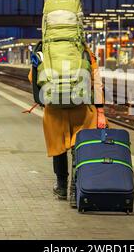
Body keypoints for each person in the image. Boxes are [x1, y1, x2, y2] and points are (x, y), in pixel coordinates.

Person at [28, 47, 107, 200]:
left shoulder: (44, 49)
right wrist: (101, 111)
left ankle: (62, 186)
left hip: (54, 110)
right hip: (81, 107)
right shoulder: (85, 51)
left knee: (58, 148)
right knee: (79, 146)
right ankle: (76, 186)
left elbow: (33, 77)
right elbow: (97, 82)